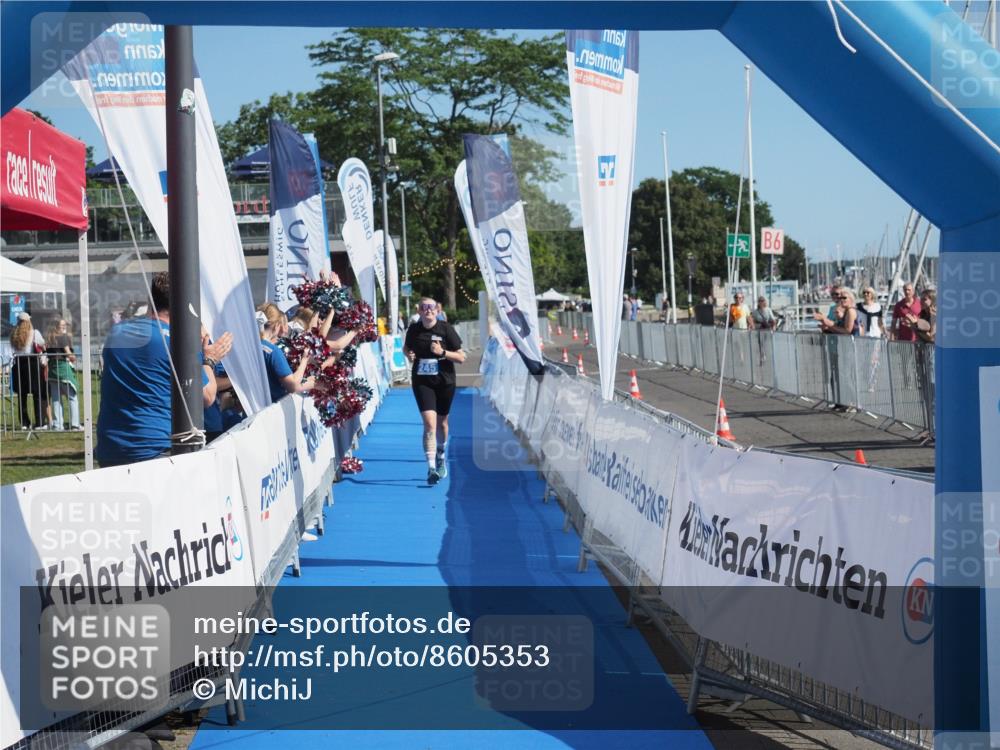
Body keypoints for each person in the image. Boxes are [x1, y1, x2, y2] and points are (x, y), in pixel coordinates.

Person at [97, 272, 233, 467]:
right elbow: (206, 396)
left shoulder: (117, 333)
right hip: (155, 449)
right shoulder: (179, 343)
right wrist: (209, 359)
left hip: (111, 448)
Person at [403, 297, 466, 485]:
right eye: (424, 308)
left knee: (442, 423)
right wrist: (409, 354)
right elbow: (406, 348)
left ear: (437, 311)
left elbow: (461, 357)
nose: (428, 310)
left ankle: (440, 453)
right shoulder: (414, 329)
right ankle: (431, 467)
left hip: (445, 380)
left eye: (431, 307)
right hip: (422, 381)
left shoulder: (446, 329)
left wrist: (443, 353)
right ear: (419, 311)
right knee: (430, 424)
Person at [257, 303, 315, 403]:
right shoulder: (273, 351)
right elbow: (293, 386)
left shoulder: (253, 345)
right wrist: (305, 359)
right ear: (276, 326)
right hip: (269, 407)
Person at [9, 312, 47, 430]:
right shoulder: (35, 333)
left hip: (19, 365)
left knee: (22, 395)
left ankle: (25, 423)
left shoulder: (13, 335)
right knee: (38, 394)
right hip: (32, 364)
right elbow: (43, 345)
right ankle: (40, 422)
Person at [45, 317, 81, 430]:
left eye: (65, 325)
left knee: (56, 398)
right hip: (62, 369)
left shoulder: (49, 337)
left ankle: (58, 425)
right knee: (72, 396)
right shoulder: (62, 337)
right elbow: (68, 353)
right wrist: (73, 357)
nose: (64, 327)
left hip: (52, 370)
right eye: (62, 325)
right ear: (56, 326)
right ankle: (75, 424)